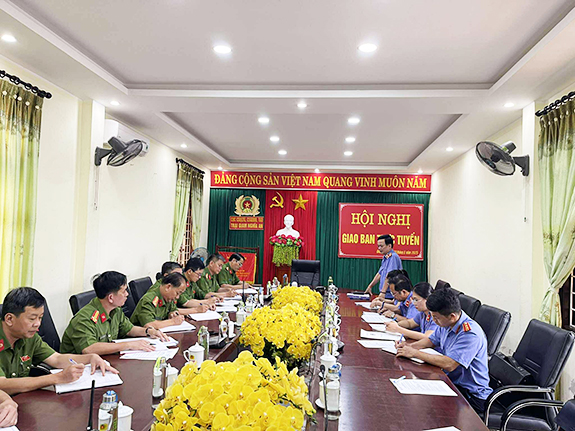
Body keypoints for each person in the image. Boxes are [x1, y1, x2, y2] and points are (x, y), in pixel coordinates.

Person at [0, 287, 117, 395]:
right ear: (9, 319)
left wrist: (90, 358)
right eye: (32, 318)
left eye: (40, 318)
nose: (38, 324)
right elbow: (2, 385)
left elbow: (56, 359)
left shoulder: (30, 337)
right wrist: (57, 377)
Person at [395, 287, 492, 413]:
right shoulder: (447, 322)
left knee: (420, 407)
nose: (434, 320)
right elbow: (431, 341)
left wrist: (415, 353)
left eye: (436, 317)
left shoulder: (470, 333)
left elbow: (449, 364)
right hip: (451, 382)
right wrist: (408, 347)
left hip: (471, 395)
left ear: (452, 316)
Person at [60, 271, 169, 355]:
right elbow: (89, 349)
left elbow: (129, 329)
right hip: (78, 368)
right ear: (111, 298)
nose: (127, 294)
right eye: (124, 291)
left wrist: (148, 331)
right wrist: (128, 345)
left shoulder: (115, 310)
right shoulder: (85, 319)